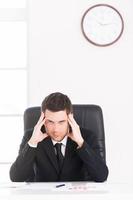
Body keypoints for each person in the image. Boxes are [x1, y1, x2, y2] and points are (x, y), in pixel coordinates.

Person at [10, 92, 109, 182]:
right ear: (43, 118)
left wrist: (81, 143)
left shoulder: (87, 136)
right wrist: (32, 143)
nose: (56, 129)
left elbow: (101, 176)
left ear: (70, 118)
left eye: (61, 122)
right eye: (50, 122)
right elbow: (16, 178)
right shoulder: (32, 137)